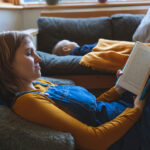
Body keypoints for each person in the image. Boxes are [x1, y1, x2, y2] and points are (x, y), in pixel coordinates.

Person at [0, 31, 148, 150]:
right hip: (128, 132)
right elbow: (95, 140)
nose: (39, 58)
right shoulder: (27, 102)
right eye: (29, 53)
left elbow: (91, 108)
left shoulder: (38, 84)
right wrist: (136, 110)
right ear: (7, 64)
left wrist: (118, 89)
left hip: (124, 112)